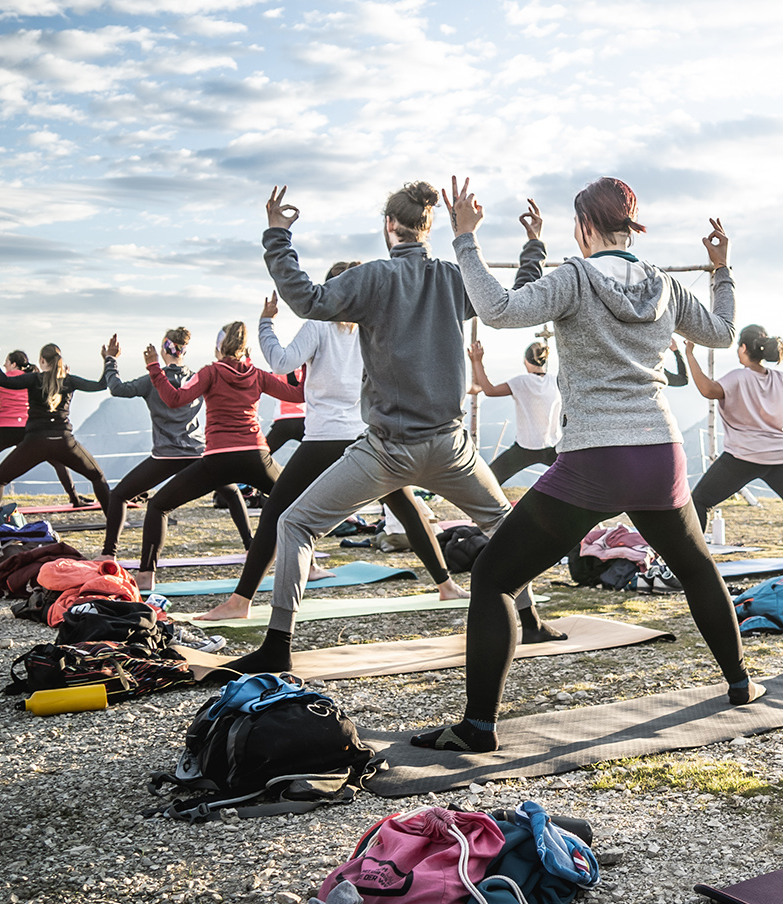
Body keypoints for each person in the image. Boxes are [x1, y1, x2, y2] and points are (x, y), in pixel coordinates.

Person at [413, 176, 760, 754]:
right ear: (631, 227)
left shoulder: (575, 278)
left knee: (496, 577)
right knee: (697, 567)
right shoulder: (666, 287)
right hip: (659, 453)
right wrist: (721, 270)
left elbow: (497, 311)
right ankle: (740, 682)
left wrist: (465, 238)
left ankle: (478, 727)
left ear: (585, 227)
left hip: (596, 459)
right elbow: (723, 331)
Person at [216, 180, 527, 677]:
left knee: (295, 524)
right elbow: (511, 296)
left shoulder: (374, 278)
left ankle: (277, 645)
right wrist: (530, 246)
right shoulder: (452, 277)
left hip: (388, 450)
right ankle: (529, 618)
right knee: (504, 524)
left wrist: (277, 236)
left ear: (389, 226)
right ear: (428, 227)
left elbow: (306, 299)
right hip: (451, 447)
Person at [195, 274, 469, 621]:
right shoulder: (371, 326)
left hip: (326, 437)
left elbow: (281, 363)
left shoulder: (319, 325)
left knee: (277, 511)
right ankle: (446, 586)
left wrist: (266, 323)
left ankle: (240, 602)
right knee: (405, 504)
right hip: (368, 435)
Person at [129, 321, 297, 588]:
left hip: (218, 458)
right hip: (256, 456)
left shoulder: (210, 372)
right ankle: (308, 567)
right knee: (295, 503)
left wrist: (153, 368)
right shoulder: (257, 374)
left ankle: (146, 575)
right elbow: (297, 394)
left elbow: (175, 399)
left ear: (218, 348)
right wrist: (302, 367)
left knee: (159, 505)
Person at [98, 328, 253, 561]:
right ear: (184, 350)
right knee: (231, 492)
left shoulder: (152, 380)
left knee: (119, 495)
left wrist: (111, 360)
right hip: (199, 453)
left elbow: (117, 389)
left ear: (164, 349)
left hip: (166, 456)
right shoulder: (200, 377)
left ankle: (109, 555)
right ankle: (250, 545)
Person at [686, 325, 783, 558]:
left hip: (744, 456)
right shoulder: (781, 379)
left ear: (743, 348)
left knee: (700, 501)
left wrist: (690, 355)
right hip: (781, 456)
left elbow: (708, 390)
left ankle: (696, 562)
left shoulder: (738, 377)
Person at [0, 349, 90, 513]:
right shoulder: (34, 379)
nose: (5, 365)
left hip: (4, 431)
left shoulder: (0, 381)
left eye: (6, 361)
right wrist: (63, 376)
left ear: (13, 364)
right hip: (28, 431)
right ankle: (75, 499)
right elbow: (53, 390)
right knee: (58, 462)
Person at [0, 343, 113, 511]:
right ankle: (114, 525)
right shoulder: (69, 380)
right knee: (97, 476)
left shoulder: (34, 379)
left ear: (42, 360)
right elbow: (101, 385)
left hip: (35, 442)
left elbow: (3, 380)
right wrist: (108, 359)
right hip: (64, 442)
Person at [470, 338, 563, 484]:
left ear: (526, 361)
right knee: (580, 480)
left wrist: (477, 361)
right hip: (553, 447)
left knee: (489, 481)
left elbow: (489, 390)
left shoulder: (521, 382)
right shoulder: (556, 381)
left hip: (525, 449)